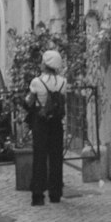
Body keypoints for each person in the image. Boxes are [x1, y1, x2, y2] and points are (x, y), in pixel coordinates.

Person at [26, 48, 68, 205]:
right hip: (56, 123)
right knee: (56, 158)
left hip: (41, 122)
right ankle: (55, 193)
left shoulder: (37, 82)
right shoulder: (63, 81)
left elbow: (29, 101)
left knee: (40, 158)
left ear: (46, 64)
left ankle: (38, 195)